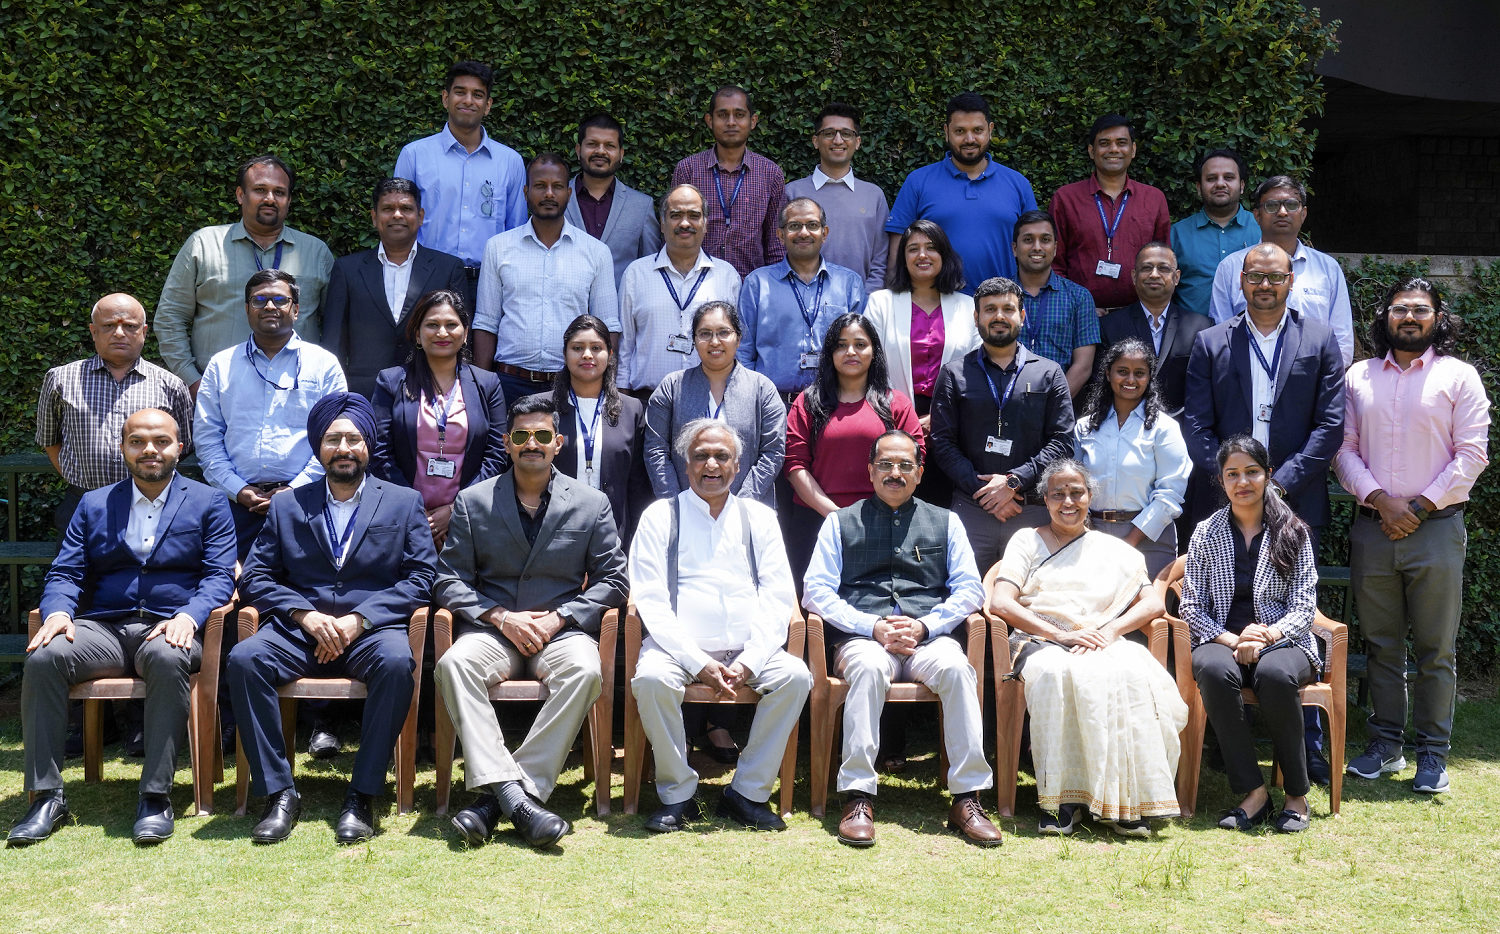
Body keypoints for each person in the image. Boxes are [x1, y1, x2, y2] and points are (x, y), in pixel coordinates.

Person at [11, 409, 235, 848]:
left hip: (172, 626)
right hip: (106, 629)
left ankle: (155, 796)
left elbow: (219, 576)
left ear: (179, 448)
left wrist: (188, 617)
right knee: (45, 655)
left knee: (168, 657)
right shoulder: (94, 504)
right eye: (137, 441)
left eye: (161, 441)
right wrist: (57, 611)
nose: (149, 449)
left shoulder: (209, 501)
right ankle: (46, 797)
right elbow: (66, 571)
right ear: (123, 448)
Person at [227, 393, 437, 846]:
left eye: (353, 439)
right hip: (300, 631)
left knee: (399, 664)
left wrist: (361, 618)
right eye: (332, 439)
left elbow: (422, 577)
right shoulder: (287, 506)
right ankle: (280, 793)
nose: (344, 447)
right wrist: (304, 614)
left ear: (369, 446)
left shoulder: (403, 502)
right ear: (317, 447)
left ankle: (361, 794)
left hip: (370, 632)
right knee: (245, 659)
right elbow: (257, 576)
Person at [433, 395, 629, 848]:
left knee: (585, 669)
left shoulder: (590, 502)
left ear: (558, 443)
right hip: (492, 630)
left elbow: (614, 580)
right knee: (453, 665)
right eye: (521, 436)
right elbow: (447, 580)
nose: (531, 444)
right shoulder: (472, 501)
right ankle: (515, 798)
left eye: (542, 436)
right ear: (507, 443)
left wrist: (560, 618)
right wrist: (500, 616)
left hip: (559, 630)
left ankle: (501, 795)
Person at [1185, 243, 1344, 782]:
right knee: (1225, 606)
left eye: (1275, 276)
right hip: (1229, 501)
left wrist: (1276, 483)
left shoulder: (1319, 340)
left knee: (1295, 616)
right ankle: (1218, 744)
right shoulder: (1211, 343)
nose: (1265, 285)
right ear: (1241, 282)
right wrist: (1237, 483)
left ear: (1290, 282)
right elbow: (1198, 426)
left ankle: (1308, 746)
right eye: (1255, 276)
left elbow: (1330, 426)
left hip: (1295, 500)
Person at [802, 430, 1000, 847]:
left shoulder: (947, 522)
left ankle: (967, 796)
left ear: (920, 472)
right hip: (863, 637)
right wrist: (869, 625)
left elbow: (969, 589)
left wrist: (927, 625)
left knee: (957, 669)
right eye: (887, 465)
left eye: (905, 465)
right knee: (870, 668)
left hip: (927, 637)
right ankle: (857, 796)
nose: (896, 473)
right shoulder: (840, 522)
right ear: (870, 471)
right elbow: (815, 590)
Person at [1336, 278, 1491, 795]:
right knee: (1381, 645)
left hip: (1437, 531)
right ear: (1384, 316)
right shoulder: (1359, 376)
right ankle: (1384, 745)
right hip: (1375, 529)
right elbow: (1344, 449)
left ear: (1437, 318)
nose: (1409, 317)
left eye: (1420, 310)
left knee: (1435, 649)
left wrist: (1418, 508)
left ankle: (1432, 752)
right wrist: (1383, 501)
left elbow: (1472, 455)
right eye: (1400, 309)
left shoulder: (1460, 377)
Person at [629, 419, 812, 833]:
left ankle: (746, 794)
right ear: (685, 463)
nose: (711, 464)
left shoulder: (759, 518)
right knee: (652, 679)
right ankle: (678, 795)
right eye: (700, 456)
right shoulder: (661, 516)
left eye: (721, 456)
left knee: (795, 677)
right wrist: (696, 662)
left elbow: (778, 595)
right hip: (676, 650)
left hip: (747, 651)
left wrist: (750, 661)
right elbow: (651, 602)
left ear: (738, 464)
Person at [988, 459, 1188, 837]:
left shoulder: (1112, 549)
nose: (1068, 501)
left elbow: (1152, 604)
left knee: (1134, 672)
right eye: (1058, 494)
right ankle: (1063, 800)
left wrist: (1112, 631)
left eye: (1076, 492)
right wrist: (1060, 635)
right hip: (1040, 639)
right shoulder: (1026, 541)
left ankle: (1125, 802)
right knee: (1058, 673)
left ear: (1090, 497)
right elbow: (1001, 602)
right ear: (1044, 500)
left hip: (1100, 639)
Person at [1181, 437, 1321, 833]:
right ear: (1222, 482)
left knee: (1275, 675)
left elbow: (1304, 606)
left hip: (1284, 642)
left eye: (1251, 472)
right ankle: (1254, 792)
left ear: (1268, 475)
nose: (1243, 481)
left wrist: (1266, 636)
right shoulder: (1207, 532)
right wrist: (1232, 640)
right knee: (1210, 668)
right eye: (1232, 474)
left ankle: (1295, 794)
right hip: (1223, 638)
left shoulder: (1293, 531)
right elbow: (1191, 606)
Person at [193, 269, 348, 561]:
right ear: (246, 308)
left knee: (305, 587)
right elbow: (207, 437)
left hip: (308, 501)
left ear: (296, 309)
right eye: (259, 299)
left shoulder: (324, 365)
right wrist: (237, 489)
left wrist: (294, 489)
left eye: (280, 299)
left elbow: (337, 437)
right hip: (237, 506)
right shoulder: (221, 365)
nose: (269, 306)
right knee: (234, 589)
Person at [930, 278, 1074, 573]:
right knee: (966, 602)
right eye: (989, 309)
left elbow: (1063, 442)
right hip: (972, 508)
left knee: (1033, 602)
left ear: (1022, 316)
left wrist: (1012, 482)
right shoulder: (953, 374)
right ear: (976, 317)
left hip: (1031, 507)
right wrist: (985, 492)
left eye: (1008, 309)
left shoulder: (1050, 373)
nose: (998, 316)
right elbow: (942, 442)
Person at [155, 155, 334, 392]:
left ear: (289, 200)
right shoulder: (204, 245)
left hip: (297, 393)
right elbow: (170, 318)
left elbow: (336, 326)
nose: (270, 199)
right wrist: (193, 381)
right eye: (260, 189)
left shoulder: (316, 252)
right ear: (241, 195)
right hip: (220, 392)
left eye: (279, 192)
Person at [35, 293, 193, 532]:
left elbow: (184, 446)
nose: (119, 333)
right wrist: (79, 479)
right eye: (108, 326)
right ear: (93, 331)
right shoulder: (61, 380)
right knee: (76, 570)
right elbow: (49, 440)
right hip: (82, 504)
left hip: (152, 505)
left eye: (130, 326)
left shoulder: (170, 385)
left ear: (144, 331)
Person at [784, 314, 923, 580]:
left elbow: (916, 460)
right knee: (814, 613)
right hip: (817, 521)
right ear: (830, 352)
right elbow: (794, 465)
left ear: (874, 352)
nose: (851, 352)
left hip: (885, 522)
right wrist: (836, 516)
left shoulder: (896, 403)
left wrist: (882, 511)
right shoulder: (807, 402)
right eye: (841, 344)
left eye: (860, 344)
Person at [471, 153, 619, 404]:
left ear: (569, 194)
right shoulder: (498, 248)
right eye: (540, 186)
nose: (549, 194)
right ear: (526, 192)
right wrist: (481, 388)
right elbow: (486, 323)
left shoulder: (596, 253)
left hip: (572, 383)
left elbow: (608, 328)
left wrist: (606, 386)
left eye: (557, 186)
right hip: (508, 382)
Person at [370, 290, 509, 550]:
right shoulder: (391, 381)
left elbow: (497, 454)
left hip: (470, 518)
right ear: (417, 334)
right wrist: (414, 510)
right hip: (402, 517)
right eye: (432, 325)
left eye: (451, 325)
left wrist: (456, 509)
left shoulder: (488, 384)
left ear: (466, 334)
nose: (442, 333)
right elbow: (379, 454)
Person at [393, 60, 527, 313]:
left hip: (488, 283)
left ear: (487, 105)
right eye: (460, 92)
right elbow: (399, 222)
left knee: (484, 352)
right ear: (445, 98)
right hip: (426, 278)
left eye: (477, 95)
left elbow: (516, 232)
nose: (468, 100)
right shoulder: (414, 155)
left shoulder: (511, 162)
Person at [863, 220, 978, 509]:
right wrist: (905, 416)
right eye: (913, 249)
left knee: (942, 508)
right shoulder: (880, 303)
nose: (922, 255)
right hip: (891, 419)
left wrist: (941, 415)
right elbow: (868, 366)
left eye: (931, 248)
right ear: (903, 258)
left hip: (954, 425)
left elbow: (977, 368)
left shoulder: (968, 307)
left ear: (945, 255)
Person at [319, 178, 467, 398]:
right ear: (374, 217)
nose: (397, 215)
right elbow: (333, 343)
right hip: (363, 394)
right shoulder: (347, 269)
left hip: (431, 392)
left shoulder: (448, 268)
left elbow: (462, 338)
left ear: (421, 217)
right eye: (388, 208)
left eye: (406, 208)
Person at [885, 92, 1038, 292]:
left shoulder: (1018, 184)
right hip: (935, 307)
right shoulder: (918, 182)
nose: (969, 139)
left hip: (1001, 306)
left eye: (977, 130)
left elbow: (1034, 248)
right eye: (960, 131)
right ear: (946, 132)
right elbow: (897, 250)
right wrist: (897, 299)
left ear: (990, 130)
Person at [524, 315, 652, 544]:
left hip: (611, 535)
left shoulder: (631, 410)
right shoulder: (539, 408)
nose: (587, 355)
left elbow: (638, 484)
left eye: (596, 348)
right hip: (549, 534)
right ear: (564, 354)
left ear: (610, 355)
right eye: (577, 348)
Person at [645, 301, 785, 508]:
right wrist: (677, 504)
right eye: (705, 334)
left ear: (738, 338)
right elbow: (655, 450)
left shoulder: (762, 388)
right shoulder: (672, 387)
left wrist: (741, 507)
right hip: (685, 510)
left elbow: (773, 451)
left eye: (723, 332)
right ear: (694, 340)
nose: (714, 341)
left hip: (748, 511)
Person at [1072, 338, 1192, 579]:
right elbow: (1074, 485)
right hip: (1091, 536)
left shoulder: (1164, 428)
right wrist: (1087, 530)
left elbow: (1170, 493)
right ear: (1107, 373)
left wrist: (1129, 541)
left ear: (1149, 377)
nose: (1130, 380)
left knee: (1147, 614)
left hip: (1149, 538)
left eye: (1139, 373)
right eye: (1122, 372)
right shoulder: (1084, 427)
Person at [1209, 175, 1354, 366]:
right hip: (1246, 378)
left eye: (1292, 205)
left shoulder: (1328, 269)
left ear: (1303, 214)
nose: (1283, 212)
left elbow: (1341, 340)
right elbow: (1221, 336)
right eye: (1271, 206)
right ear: (1257, 216)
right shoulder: (1230, 267)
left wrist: (1324, 381)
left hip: (1312, 381)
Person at [737, 197, 867, 403]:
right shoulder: (757, 284)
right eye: (794, 226)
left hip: (834, 403)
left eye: (812, 225)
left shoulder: (849, 284)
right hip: (772, 405)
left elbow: (862, 348)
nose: (804, 233)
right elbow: (743, 350)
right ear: (780, 235)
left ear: (824, 233)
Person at [618, 185, 742, 396]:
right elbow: (625, 345)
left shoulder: (727, 276)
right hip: (648, 399)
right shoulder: (636, 274)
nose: (685, 223)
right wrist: (622, 399)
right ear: (663, 224)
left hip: (711, 399)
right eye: (676, 215)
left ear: (705, 224)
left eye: (694, 215)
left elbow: (738, 344)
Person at [1048, 115, 1172, 317]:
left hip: (1139, 316)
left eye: (1121, 143)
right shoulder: (1066, 199)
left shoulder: (1154, 199)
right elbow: (1054, 264)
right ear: (1091, 151)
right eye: (1104, 143)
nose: (1113, 149)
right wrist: (1077, 307)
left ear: (1132, 150)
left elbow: (1163, 264)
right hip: (1080, 317)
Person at [671, 85, 787, 277]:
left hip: (751, 287)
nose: (731, 122)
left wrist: (775, 287)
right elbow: (673, 233)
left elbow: (776, 243)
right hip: (696, 285)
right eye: (723, 114)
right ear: (710, 120)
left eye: (739, 114)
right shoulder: (688, 170)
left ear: (753, 121)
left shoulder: (770, 173)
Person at [1098, 242, 1214, 416]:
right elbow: (1100, 387)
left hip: (1184, 430)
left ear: (1176, 277)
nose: (1154, 274)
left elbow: (1206, 391)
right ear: (1134, 276)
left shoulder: (1202, 328)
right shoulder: (1109, 326)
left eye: (1163, 268)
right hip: (1124, 427)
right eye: (1146, 268)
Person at [785, 102, 890, 293]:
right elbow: (780, 252)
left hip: (859, 306)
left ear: (857, 142)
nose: (838, 140)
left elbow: (881, 259)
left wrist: (866, 300)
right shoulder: (792, 193)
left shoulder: (874, 195)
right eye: (829, 133)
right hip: (799, 300)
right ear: (816, 141)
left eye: (846, 133)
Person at [563, 113, 663, 289]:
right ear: (578, 150)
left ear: (621, 154)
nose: (600, 151)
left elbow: (651, 269)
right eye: (592, 144)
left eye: (609, 145)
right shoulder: (558, 201)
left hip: (620, 313)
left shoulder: (641, 206)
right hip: (566, 312)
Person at [1011, 210, 1099, 395]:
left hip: (1059, 408)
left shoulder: (1079, 297)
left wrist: (1053, 405)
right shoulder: (999, 296)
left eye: (1045, 240)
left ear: (1056, 247)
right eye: (1028, 240)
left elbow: (1083, 367)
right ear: (1014, 248)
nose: (1037, 247)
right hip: (1004, 404)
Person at [1170, 149, 1259, 320]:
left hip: (1252, 335)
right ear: (1199, 187)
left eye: (1229, 178)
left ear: (1241, 186)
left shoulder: (1262, 229)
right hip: (1192, 337)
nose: (1220, 184)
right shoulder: (1177, 234)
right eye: (1211, 178)